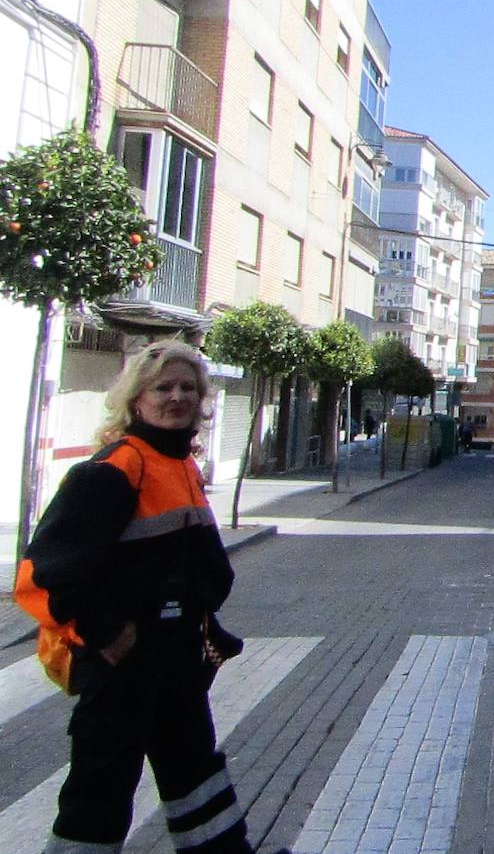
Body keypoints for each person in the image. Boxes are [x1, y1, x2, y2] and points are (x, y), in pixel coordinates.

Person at [13, 340, 280, 854]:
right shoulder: (115, 469)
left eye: (188, 388)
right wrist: (107, 630)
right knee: (101, 787)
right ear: (137, 399)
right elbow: (40, 575)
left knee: (195, 773)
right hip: (123, 666)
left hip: (175, 658)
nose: (176, 397)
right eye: (163, 387)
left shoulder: (179, 464)